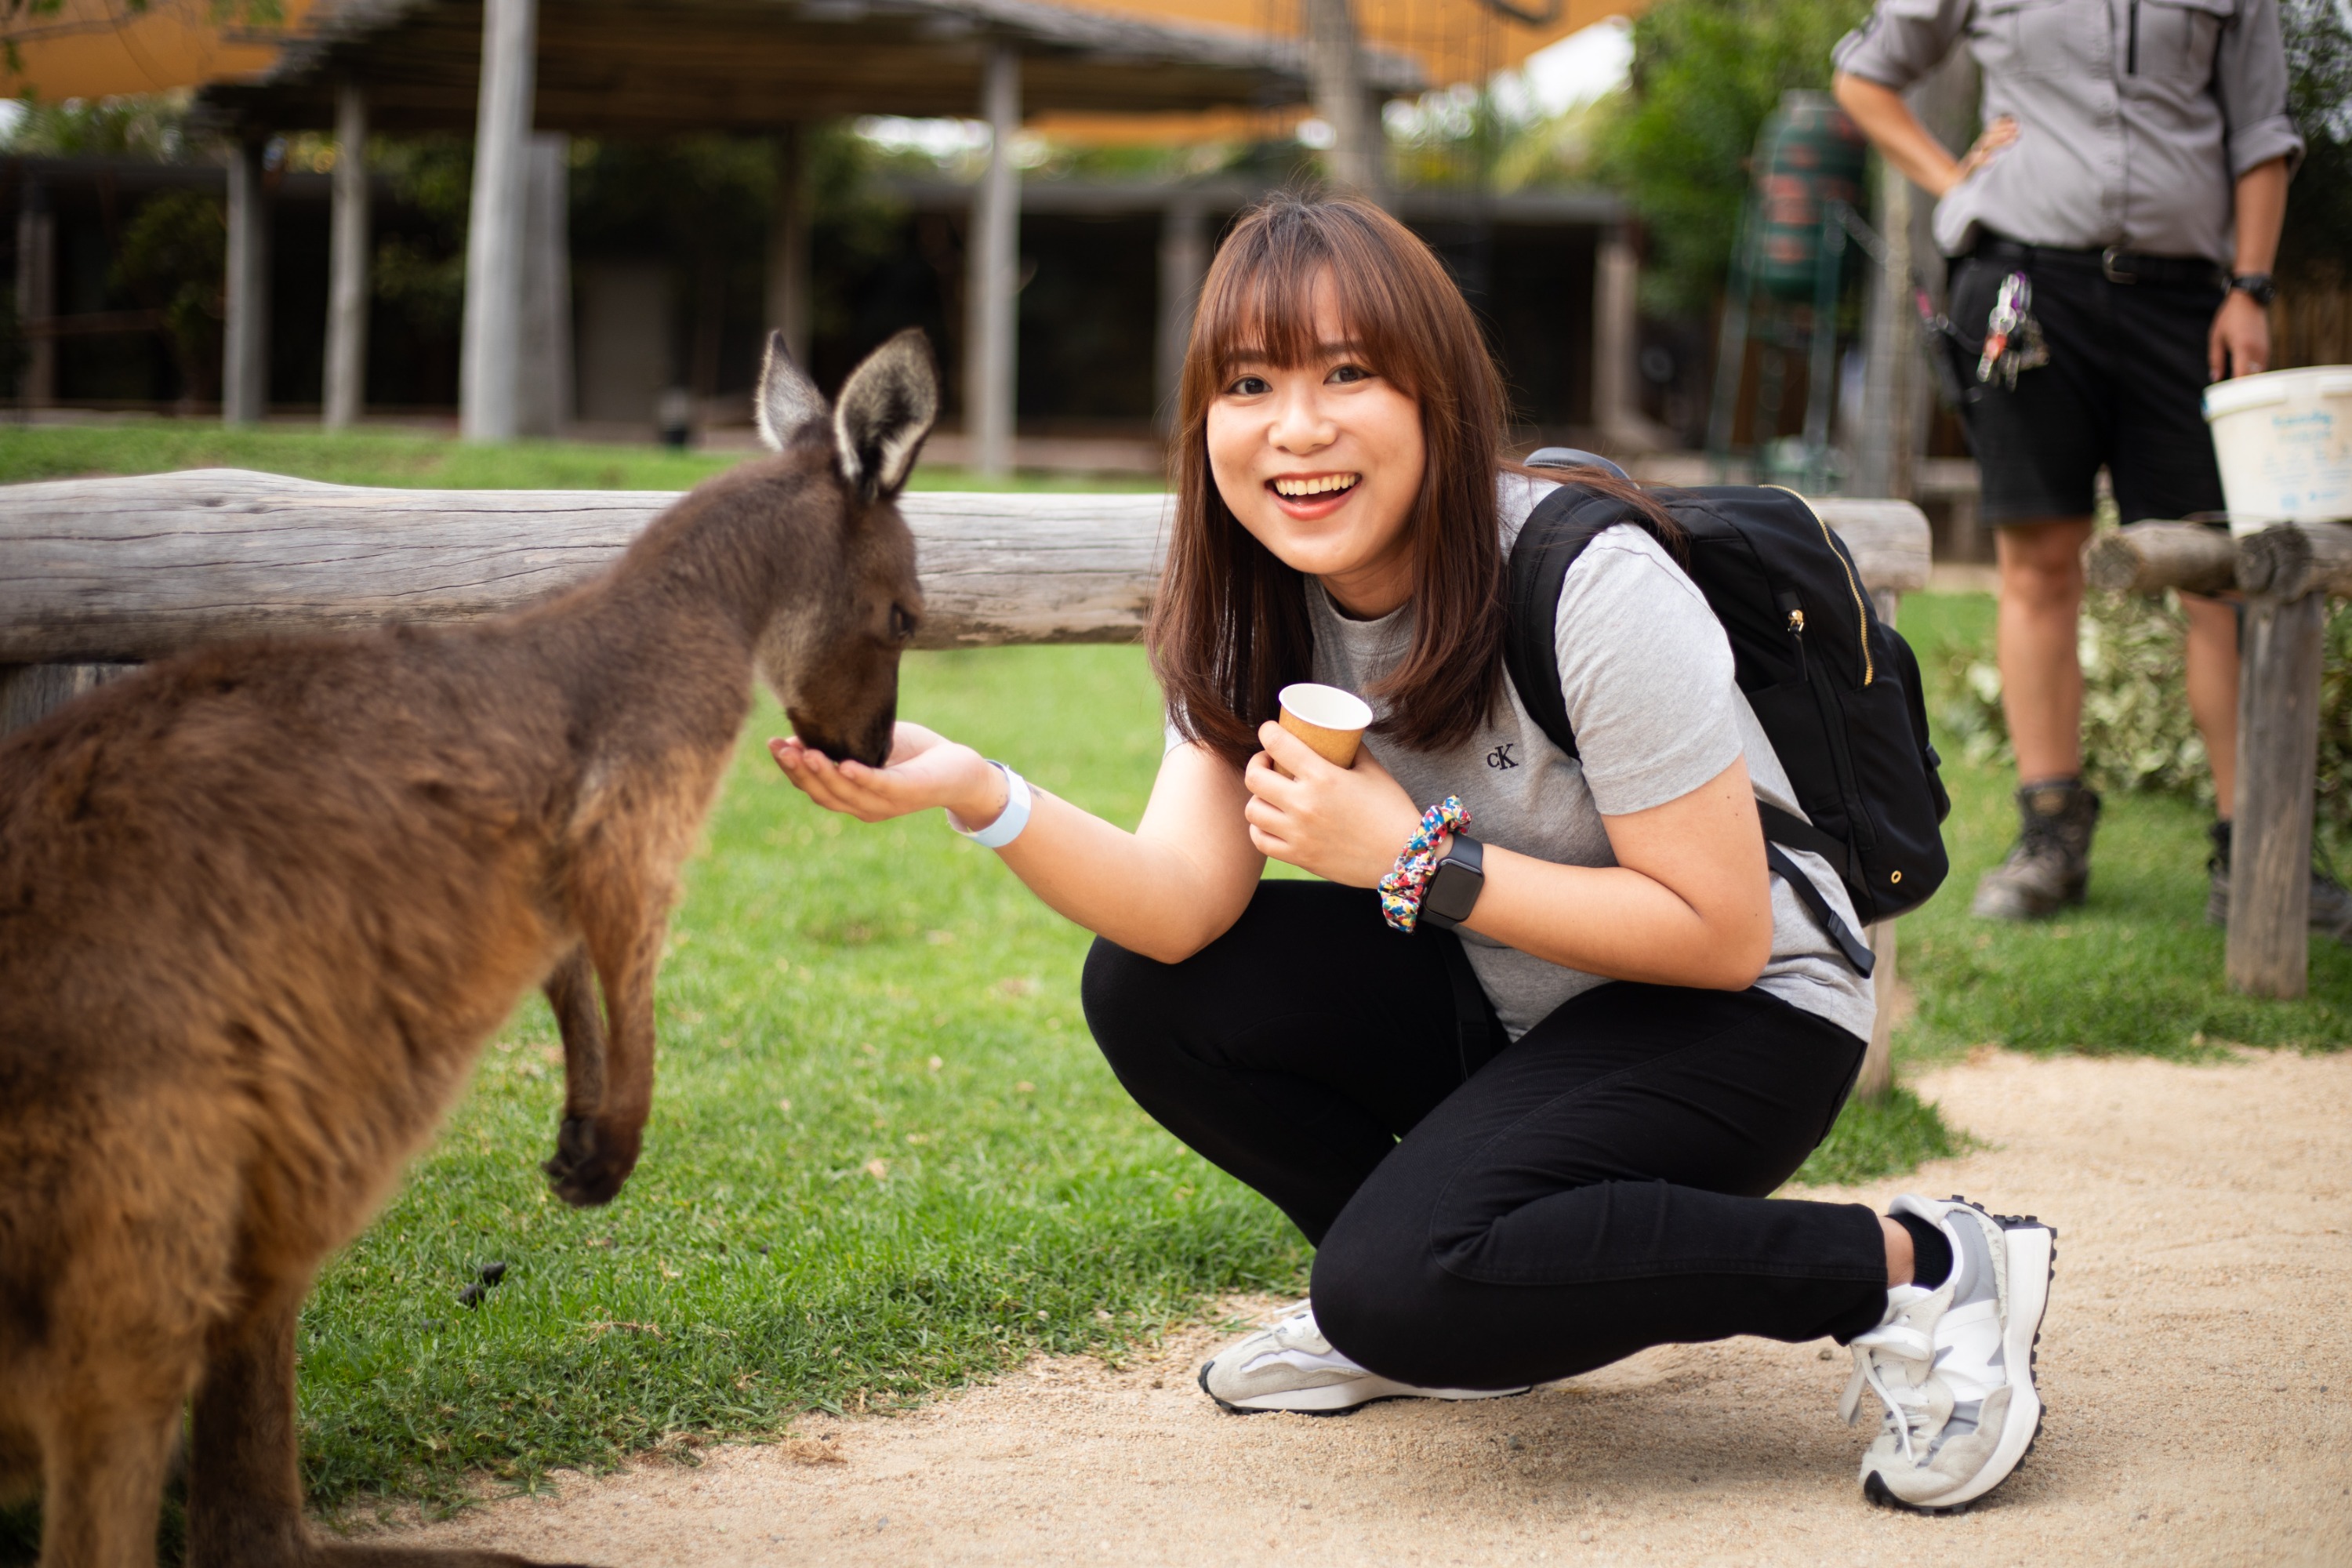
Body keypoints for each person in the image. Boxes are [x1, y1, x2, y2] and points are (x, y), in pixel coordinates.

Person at [771, 194, 2053, 1513]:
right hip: (1517, 991)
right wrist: (980, 793)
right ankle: (1441, 1319)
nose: (1297, 428)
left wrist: (1415, 863)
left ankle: (1921, 1269)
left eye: (1348, 374)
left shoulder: (1584, 577)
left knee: (1395, 1275)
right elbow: (1173, 910)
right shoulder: (1246, 599)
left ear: (1436, 398)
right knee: (1150, 993)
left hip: (1748, 1015)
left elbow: (1721, 930)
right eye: (1250, 382)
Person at [1831, 0, 2321, 926]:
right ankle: (2050, 831)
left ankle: (2256, 846)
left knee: (2224, 573)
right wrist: (1954, 181)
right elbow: (1864, 73)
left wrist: (2251, 288)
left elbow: (2263, 130)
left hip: (2188, 303)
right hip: (2025, 292)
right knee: (2039, 564)